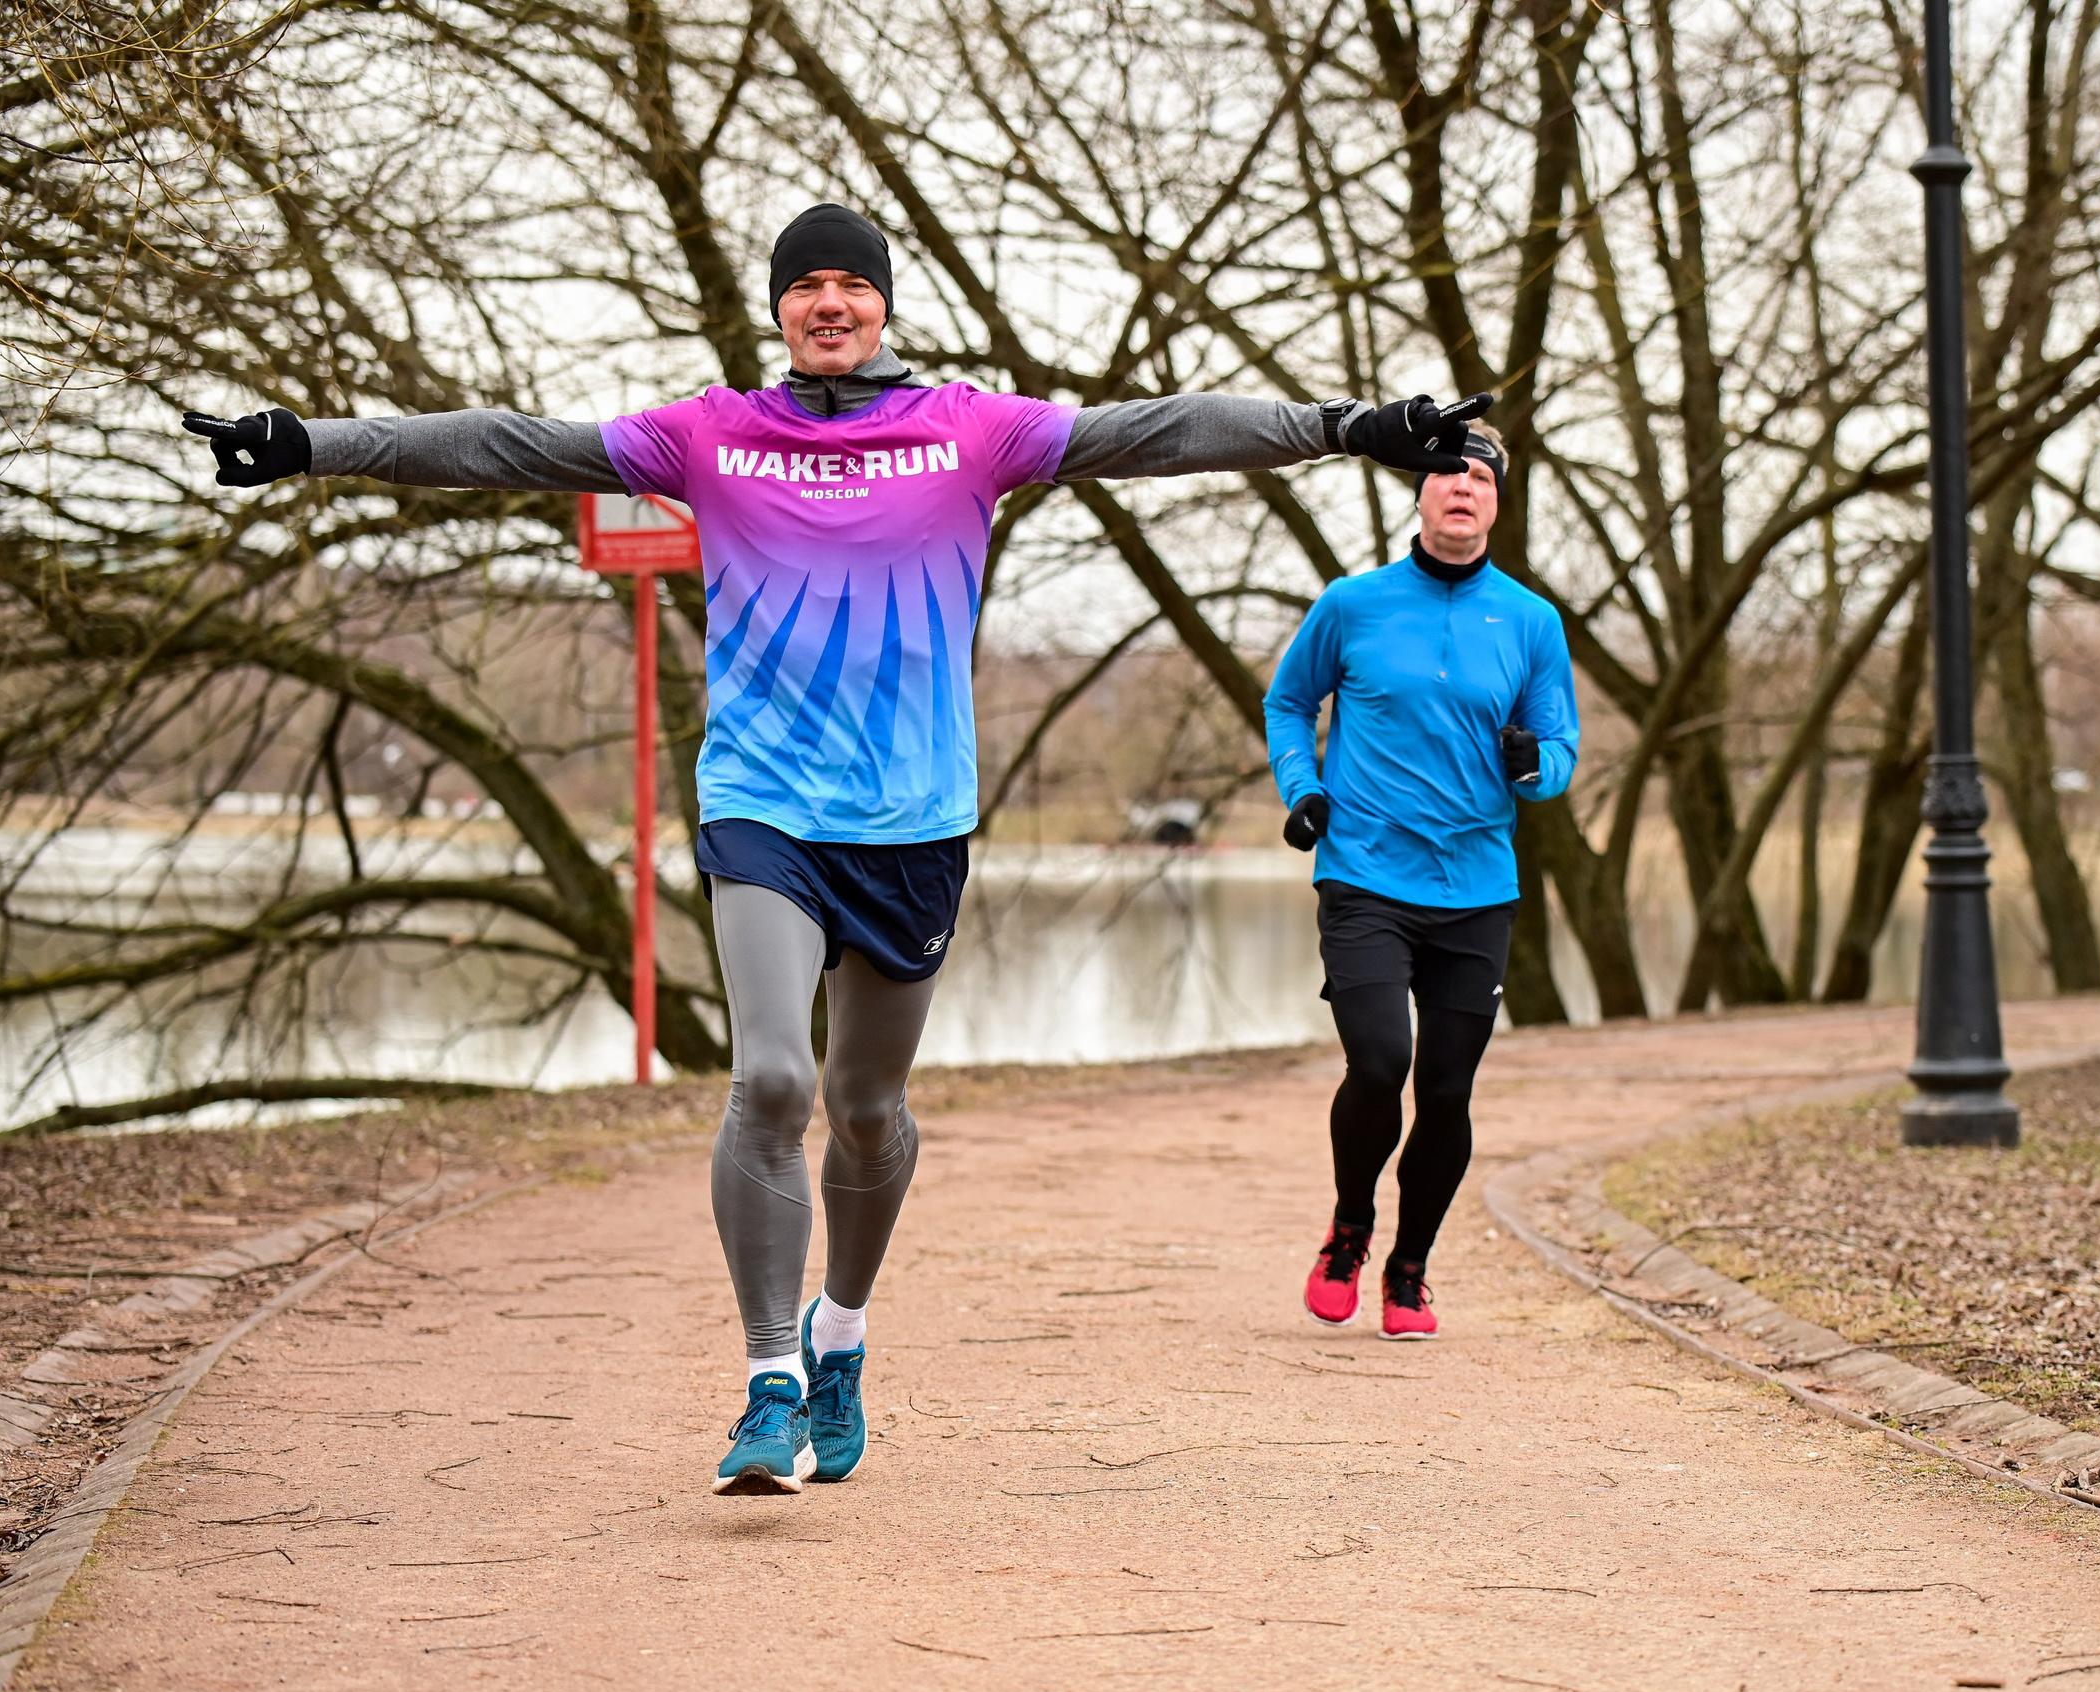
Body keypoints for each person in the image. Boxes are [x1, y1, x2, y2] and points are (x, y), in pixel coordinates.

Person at [183, 202, 1493, 1492]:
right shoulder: (710, 433)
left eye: (850, 284)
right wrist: (315, 444)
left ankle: (839, 1335)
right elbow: (510, 442)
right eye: (805, 284)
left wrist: (1347, 426)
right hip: (762, 806)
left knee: (866, 1109)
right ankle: (767, 1380)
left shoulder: (969, 427)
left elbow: (1160, 429)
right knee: (770, 1080)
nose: (829, 302)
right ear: (779, 308)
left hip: (913, 821)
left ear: (881, 304)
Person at [1262, 423, 1577, 1342]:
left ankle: (1410, 1268)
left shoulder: (1531, 621)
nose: (1462, 486)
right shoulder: (1352, 605)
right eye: (1446, 472)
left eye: (1480, 476)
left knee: (1445, 1089)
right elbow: (1289, 702)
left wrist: (1534, 766)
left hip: (1476, 885)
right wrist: (1303, 787)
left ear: (1496, 503)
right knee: (1378, 1061)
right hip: (1364, 873)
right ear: (1421, 493)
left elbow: (1559, 745)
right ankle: (1349, 1228)